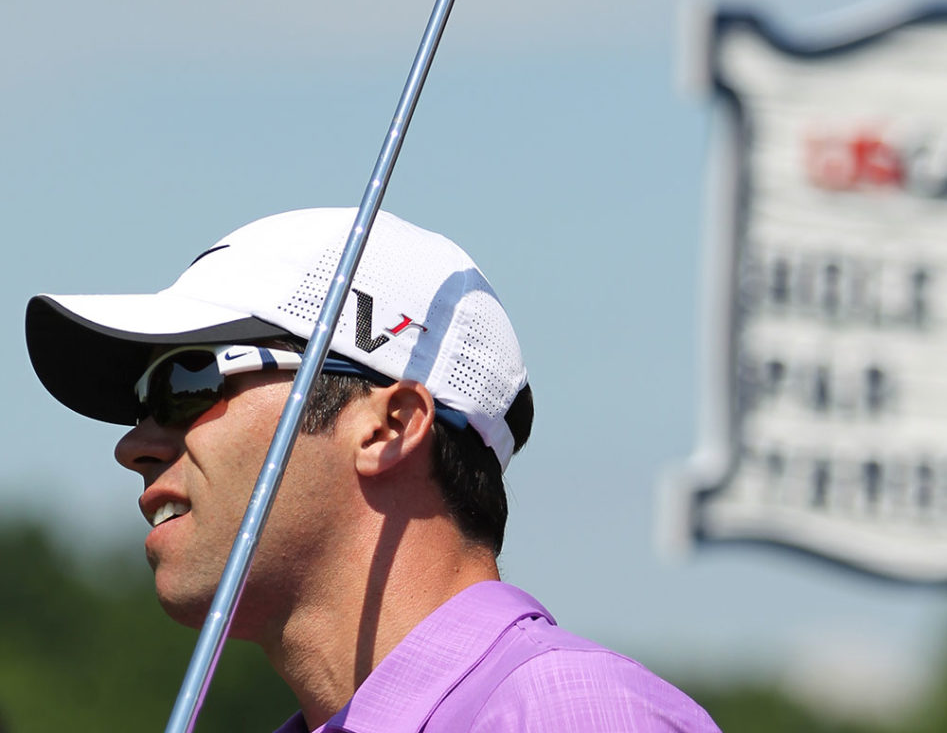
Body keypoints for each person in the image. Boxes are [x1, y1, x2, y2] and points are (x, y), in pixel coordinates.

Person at [26, 207, 721, 732]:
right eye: (143, 402)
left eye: (186, 383)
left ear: (389, 428)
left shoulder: (567, 713)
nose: (134, 445)